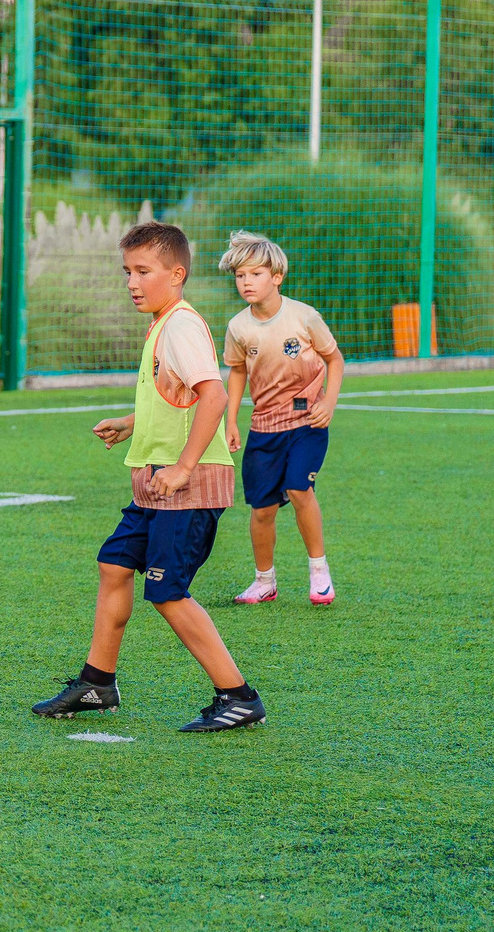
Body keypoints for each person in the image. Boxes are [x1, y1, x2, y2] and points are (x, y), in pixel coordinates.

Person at [35, 221, 265, 732]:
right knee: (114, 564)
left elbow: (215, 395)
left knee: (167, 592)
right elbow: (178, 398)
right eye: (127, 272)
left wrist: (184, 467)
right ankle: (97, 683)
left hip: (186, 486)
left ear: (176, 274)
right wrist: (131, 423)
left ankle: (239, 695)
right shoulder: (163, 324)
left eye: (143, 271)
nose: (132, 282)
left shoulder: (180, 325)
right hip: (157, 487)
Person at [216, 231, 342, 606]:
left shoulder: (304, 317)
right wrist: (232, 420)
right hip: (263, 429)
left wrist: (329, 403)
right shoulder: (239, 327)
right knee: (262, 509)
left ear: (277, 277)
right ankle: (264, 581)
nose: (246, 282)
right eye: (240, 276)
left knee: (300, 489)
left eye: (255, 274)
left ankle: (320, 574)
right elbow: (237, 371)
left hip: (307, 423)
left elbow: (334, 359)